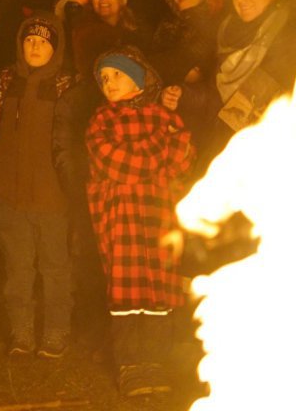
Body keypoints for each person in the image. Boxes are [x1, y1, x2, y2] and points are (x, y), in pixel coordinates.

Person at [85, 47, 193, 397]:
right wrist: (155, 162)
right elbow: (114, 164)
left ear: (139, 77)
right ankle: (131, 363)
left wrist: (150, 163)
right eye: (103, 78)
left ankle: (155, 362)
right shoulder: (101, 120)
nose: (108, 83)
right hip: (123, 222)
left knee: (159, 292)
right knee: (127, 292)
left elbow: (183, 155)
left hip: (158, 220)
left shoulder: (165, 116)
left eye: (116, 74)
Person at [0, 12, 75, 359]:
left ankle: (56, 331)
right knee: (17, 267)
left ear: (55, 47)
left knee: (55, 266)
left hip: (52, 196)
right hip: (8, 193)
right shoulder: (6, 80)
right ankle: (21, 331)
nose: (35, 47)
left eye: (43, 42)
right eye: (29, 40)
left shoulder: (69, 84)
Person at [206, 0, 296, 160]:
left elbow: (258, 95)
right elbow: (213, 94)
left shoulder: (292, 29)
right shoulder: (228, 30)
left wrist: (210, 160)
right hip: (230, 137)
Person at [150, 0, 231, 146]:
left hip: (212, 131)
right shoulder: (168, 26)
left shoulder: (226, 24)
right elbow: (151, 70)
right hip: (168, 128)